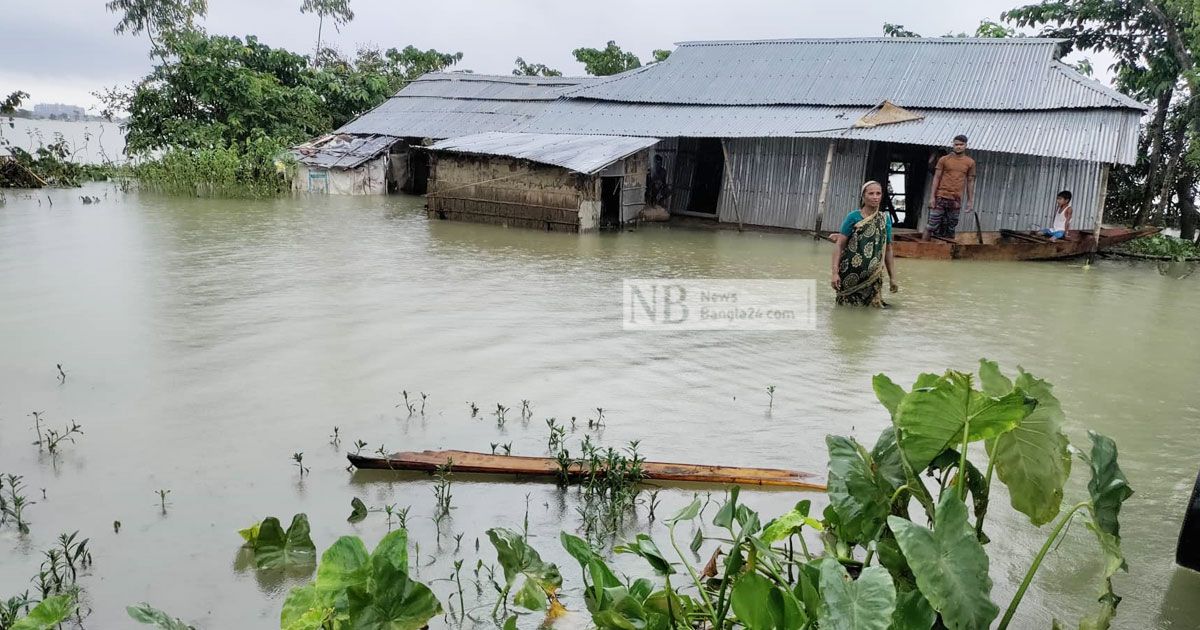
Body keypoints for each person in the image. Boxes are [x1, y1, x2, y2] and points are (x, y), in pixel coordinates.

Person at [831, 181, 898, 307]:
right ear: (863, 196)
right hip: (849, 276)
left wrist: (892, 278)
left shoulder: (884, 219)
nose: (875, 197)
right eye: (871, 193)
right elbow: (839, 245)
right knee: (846, 309)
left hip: (873, 277)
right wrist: (835, 273)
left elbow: (888, 249)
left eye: (878, 193)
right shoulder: (853, 217)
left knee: (872, 313)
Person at [924, 134, 976, 241]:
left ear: (966, 145)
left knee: (951, 227)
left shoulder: (970, 162)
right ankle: (921, 248)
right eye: (956, 144)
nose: (958, 147)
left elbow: (970, 181)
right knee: (931, 225)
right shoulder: (944, 159)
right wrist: (932, 197)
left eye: (961, 144)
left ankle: (948, 252)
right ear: (953, 145)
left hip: (956, 199)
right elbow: (936, 178)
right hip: (941, 196)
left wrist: (970, 201)